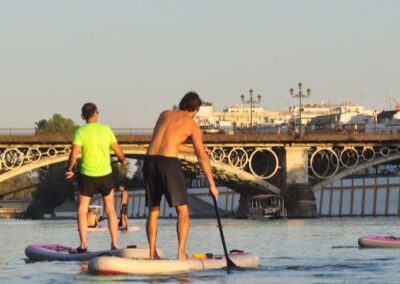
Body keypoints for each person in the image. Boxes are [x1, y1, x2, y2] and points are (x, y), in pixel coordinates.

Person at [143, 91, 219, 260]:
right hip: (168, 164)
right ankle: (181, 252)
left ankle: (152, 253)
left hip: (149, 161)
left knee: (153, 210)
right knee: (183, 210)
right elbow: (201, 157)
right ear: (196, 109)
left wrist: (192, 148)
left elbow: (170, 144)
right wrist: (212, 185)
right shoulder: (192, 125)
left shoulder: (164, 114)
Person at [65, 102, 128, 253]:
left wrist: (69, 169)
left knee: (81, 210)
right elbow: (119, 152)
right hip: (105, 175)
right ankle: (114, 244)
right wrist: (122, 159)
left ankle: (84, 245)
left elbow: (74, 154)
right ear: (96, 113)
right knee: (110, 210)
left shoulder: (80, 131)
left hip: (87, 176)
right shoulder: (106, 130)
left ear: (83, 116)